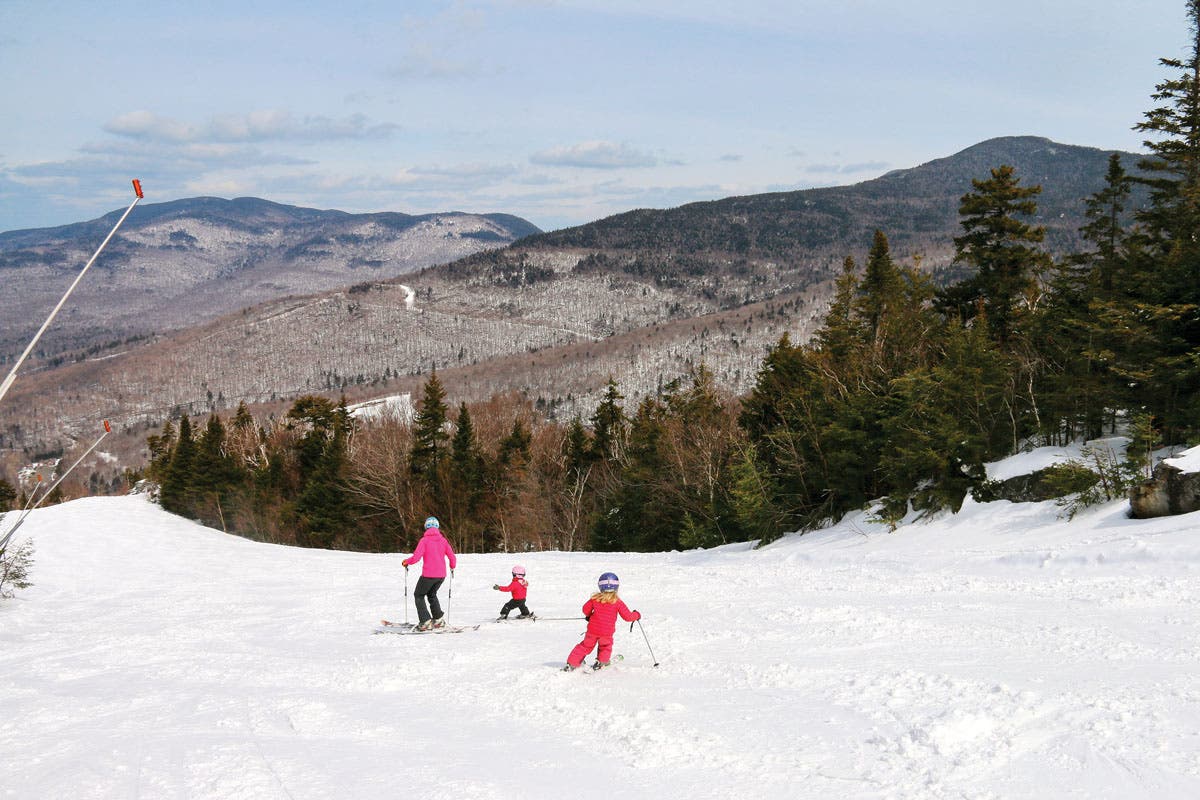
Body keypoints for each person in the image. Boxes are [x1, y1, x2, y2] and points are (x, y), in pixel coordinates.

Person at [563, 572, 640, 671]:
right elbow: (628, 617)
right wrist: (637, 615)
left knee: (585, 646)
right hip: (606, 633)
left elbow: (585, 609)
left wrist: (589, 615)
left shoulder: (595, 599)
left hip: (592, 631)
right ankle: (601, 662)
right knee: (605, 646)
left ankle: (572, 663)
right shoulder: (617, 602)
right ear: (616, 587)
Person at [402, 516, 457, 631]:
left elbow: (416, 557)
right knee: (432, 594)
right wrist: (452, 566)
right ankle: (438, 620)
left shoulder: (424, 540)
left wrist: (407, 562)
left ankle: (425, 622)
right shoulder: (443, 540)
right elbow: (452, 557)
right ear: (437, 527)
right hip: (441, 576)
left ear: (426, 527)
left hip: (428, 575)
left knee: (419, 595)